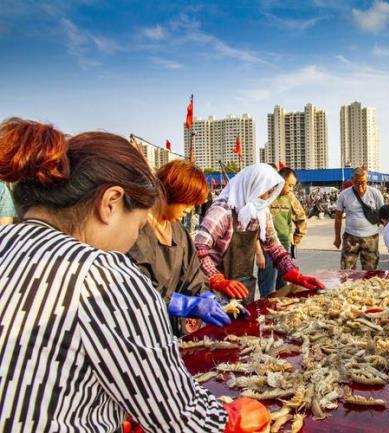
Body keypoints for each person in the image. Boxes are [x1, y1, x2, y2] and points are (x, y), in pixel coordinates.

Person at [0, 118, 270, 433]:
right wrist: (232, 418)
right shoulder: (105, 277)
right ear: (110, 203)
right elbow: (177, 415)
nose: (134, 235)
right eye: (137, 222)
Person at [128, 160, 231, 337]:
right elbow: (137, 291)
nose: (191, 209)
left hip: (174, 329)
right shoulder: (134, 233)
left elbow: (193, 276)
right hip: (143, 328)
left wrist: (211, 298)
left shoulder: (179, 232)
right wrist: (184, 304)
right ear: (170, 193)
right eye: (188, 202)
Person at [195, 163, 323, 304]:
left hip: (243, 285)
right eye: (266, 192)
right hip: (215, 291)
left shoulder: (261, 213)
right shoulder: (221, 212)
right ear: (253, 187)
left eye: (271, 193)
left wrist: (294, 273)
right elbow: (198, 250)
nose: (268, 198)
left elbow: (274, 247)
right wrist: (217, 279)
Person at [258, 167, 307, 296]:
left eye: (293, 186)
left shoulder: (290, 197)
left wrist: (296, 239)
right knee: (267, 283)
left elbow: (301, 218)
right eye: (289, 185)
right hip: (266, 246)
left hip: (284, 244)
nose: (291, 189)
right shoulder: (266, 194)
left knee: (283, 282)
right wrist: (258, 252)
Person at [333, 167, 384, 270]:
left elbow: (383, 214)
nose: (360, 185)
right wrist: (337, 237)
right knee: (347, 270)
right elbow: (338, 218)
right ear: (352, 180)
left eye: (363, 182)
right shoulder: (344, 195)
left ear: (367, 181)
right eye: (356, 182)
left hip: (371, 237)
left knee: (370, 271)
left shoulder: (376, 193)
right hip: (350, 237)